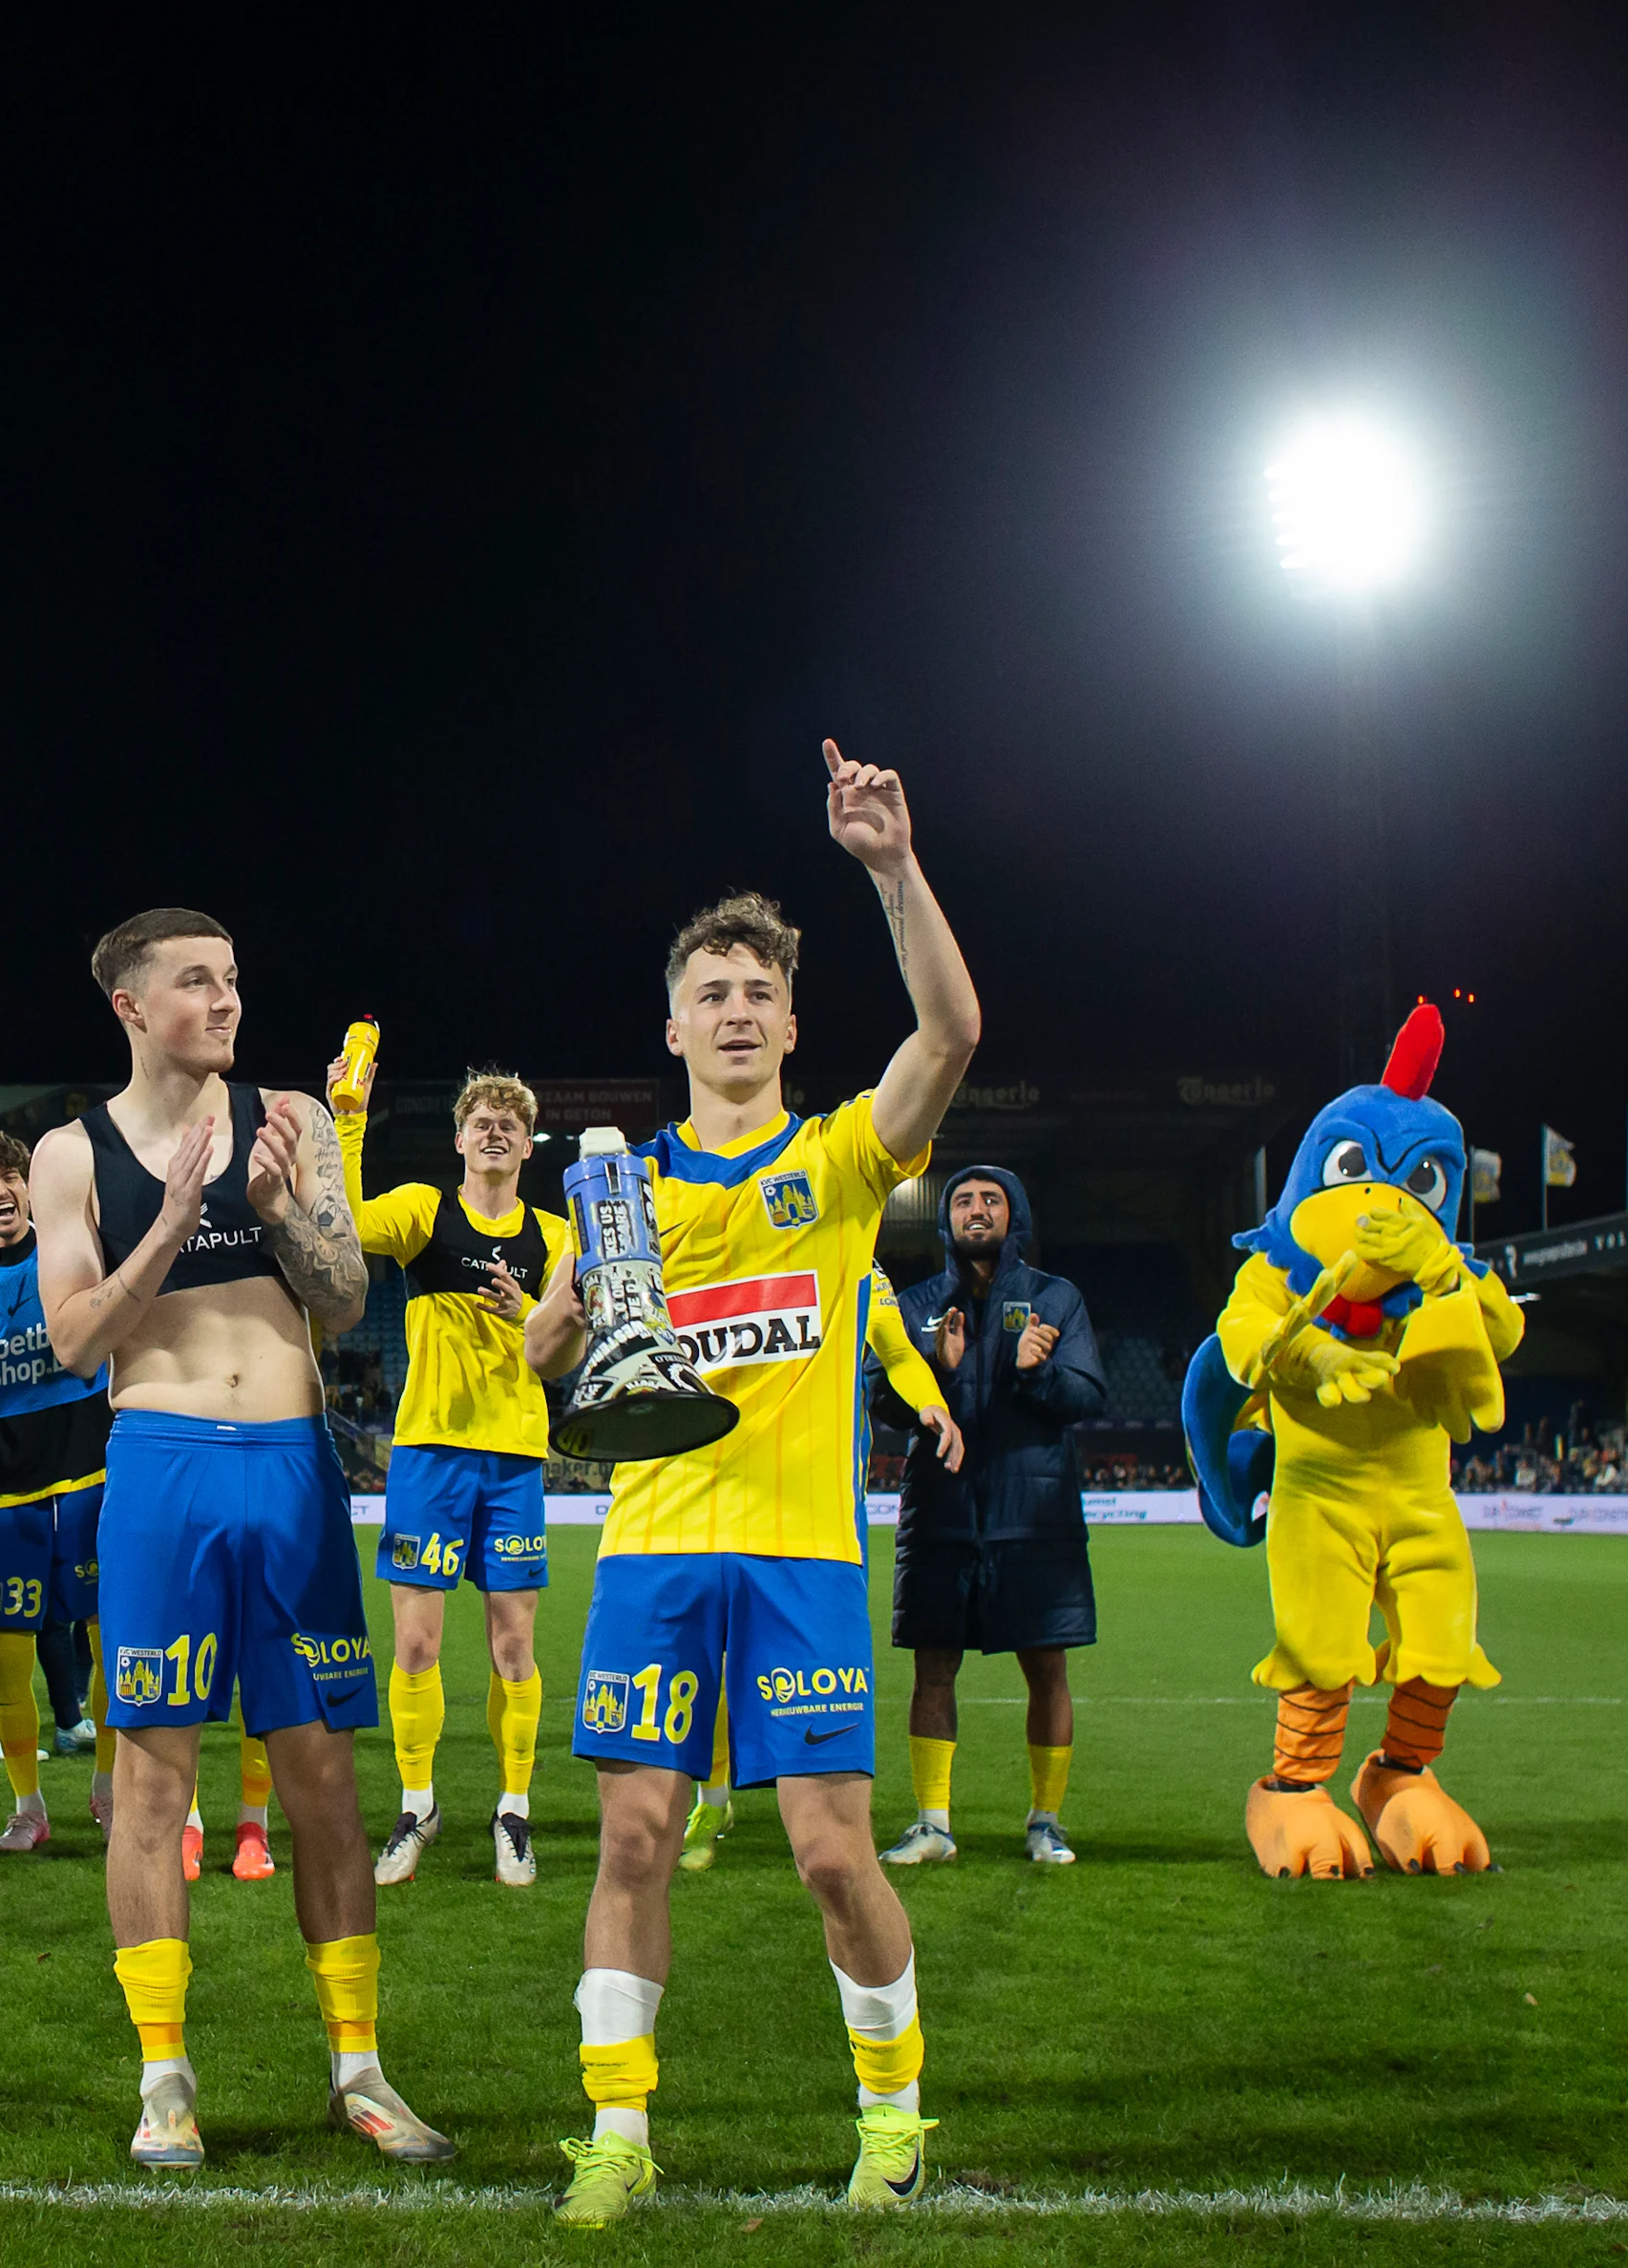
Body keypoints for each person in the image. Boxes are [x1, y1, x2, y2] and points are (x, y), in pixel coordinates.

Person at [521, 746, 980, 2226]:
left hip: (798, 1554)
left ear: (792, 1018)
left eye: (756, 992)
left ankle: (895, 2113)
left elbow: (954, 1029)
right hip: (652, 1550)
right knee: (636, 1835)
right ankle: (618, 2131)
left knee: (833, 1850)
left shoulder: (844, 1159)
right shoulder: (619, 1187)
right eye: (709, 992)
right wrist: (573, 1310)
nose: (734, 1010)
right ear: (673, 1024)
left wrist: (889, 866)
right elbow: (544, 1358)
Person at [30, 909, 449, 2173]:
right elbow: (72, 1337)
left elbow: (344, 1296)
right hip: (159, 1470)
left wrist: (273, 1206)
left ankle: (359, 2070)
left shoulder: (294, 1119)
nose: (225, 999)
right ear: (130, 1004)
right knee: (153, 1782)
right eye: (196, 980)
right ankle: (165, 2077)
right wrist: (166, 1219)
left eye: (232, 978)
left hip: (290, 1466)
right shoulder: (71, 1152)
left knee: (323, 1778)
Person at [328, 1055, 573, 1890]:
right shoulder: (425, 1213)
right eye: (482, 1118)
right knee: (416, 1641)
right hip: (429, 1452)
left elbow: (587, 1332)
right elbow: (348, 1220)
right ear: (460, 1137)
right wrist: (349, 1117)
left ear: (529, 1142)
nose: (496, 1127)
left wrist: (534, 1312)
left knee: (513, 1646)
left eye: (511, 1119)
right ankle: (418, 1802)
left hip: (513, 1457)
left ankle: (514, 1810)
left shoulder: (557, 1237)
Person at [679, 1269, 959, 1873]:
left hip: (824, 1506)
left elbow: (898, 1351)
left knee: (815, 1669)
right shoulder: (728, 1244)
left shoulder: (857, 1265)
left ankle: (820, 1814)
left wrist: (930, 1402)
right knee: (720, 1652)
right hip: (724, 1485)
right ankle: (714, 1801)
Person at [884, 1165, 1106, 1869]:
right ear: (944, 1219)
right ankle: (933, 1824)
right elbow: (880, 1402)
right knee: (933, 1667)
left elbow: (1087, 1395)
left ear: (1016, 1215)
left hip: (1033, 1515)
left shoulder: (1055, 1300)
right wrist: (934, 1364)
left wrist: (1037, 1368)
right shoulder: (915, 1303)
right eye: (962, 1200)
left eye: (991, 1199)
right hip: (941, 1512)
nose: (976, 1210)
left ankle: (1047, 1821)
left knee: (1046, 1667)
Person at [0, 1131, 115, 1852]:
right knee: (7, 1656)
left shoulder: (73, 1250)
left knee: (108, 1638)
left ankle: (107, 1785)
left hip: (89, 1470)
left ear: (31, 1189)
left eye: (10, 1176)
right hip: (4, 1488)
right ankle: (28, 1805)